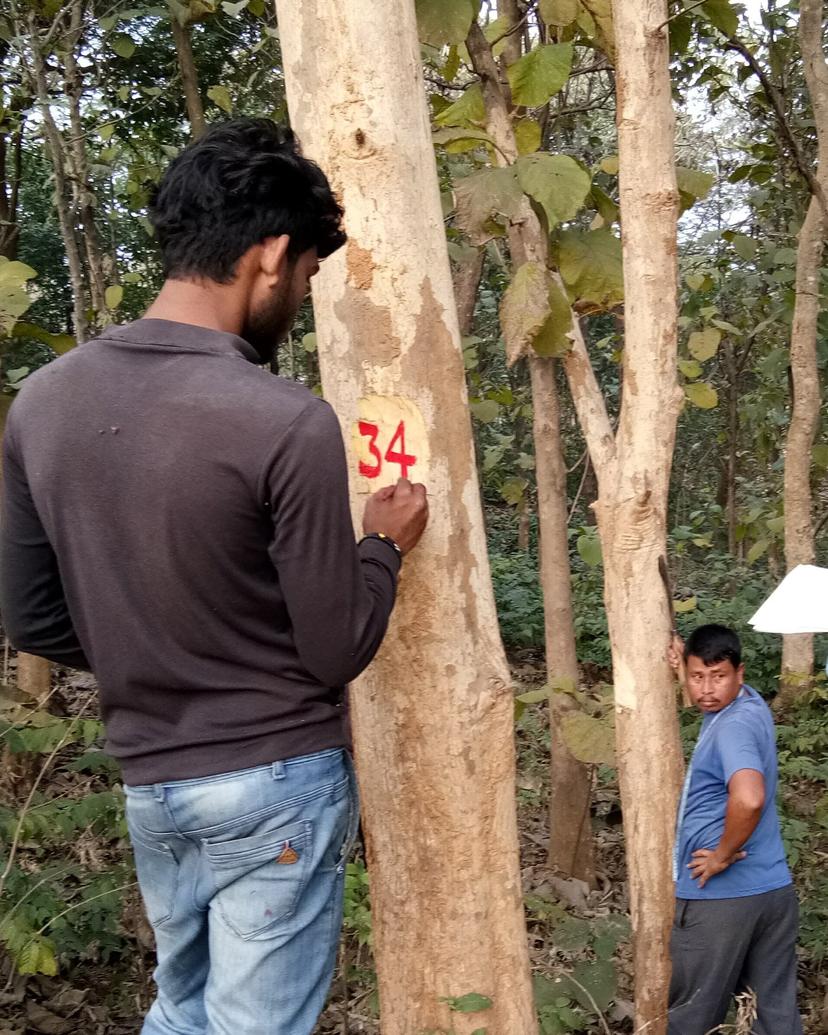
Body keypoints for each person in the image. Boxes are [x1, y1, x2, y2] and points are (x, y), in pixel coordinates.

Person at [0, 118, 428, 1035]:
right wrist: (382, 546)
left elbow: (33, 618)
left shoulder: (42, 401)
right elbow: (334, 646)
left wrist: (159, 640)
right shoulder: (283, 419)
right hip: (272, 782)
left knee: (184, 1010)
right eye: (308, 276)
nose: (301, 297)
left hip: (152, 781)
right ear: (271, 256)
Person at [667, 624, 801, 1035]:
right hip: (772, 893)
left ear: (739, 673)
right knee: (773, 1016)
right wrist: (682, 664)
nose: (706, 690)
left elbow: (749, 798)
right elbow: (711, 694)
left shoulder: (731, 727)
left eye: (718, 676)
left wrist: (722, 855)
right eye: (696, 677)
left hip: (722, 902)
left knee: (693, 1017)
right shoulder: (748, 705)